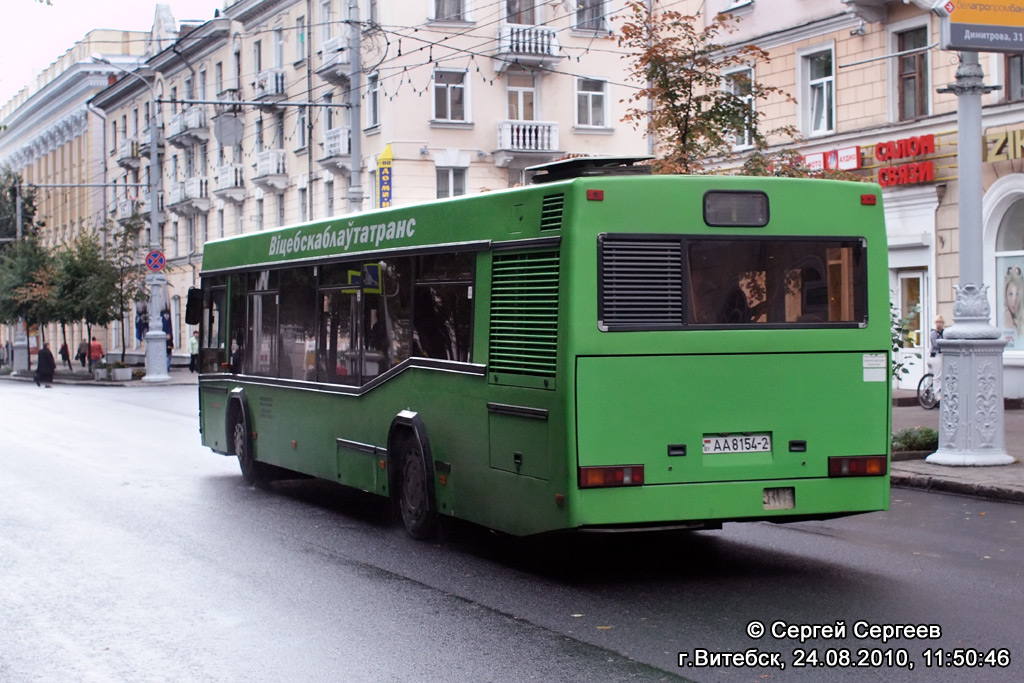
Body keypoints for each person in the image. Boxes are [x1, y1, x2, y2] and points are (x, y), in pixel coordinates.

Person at [928, 314, 945, 396]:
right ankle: (937, 396)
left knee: (942, 375)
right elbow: (935, 344)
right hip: (935, 355)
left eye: (940, 322)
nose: (939, 324)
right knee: (937, 375)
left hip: (942, 355)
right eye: (937, 322)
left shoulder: (944, 333)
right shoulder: (934, 333)